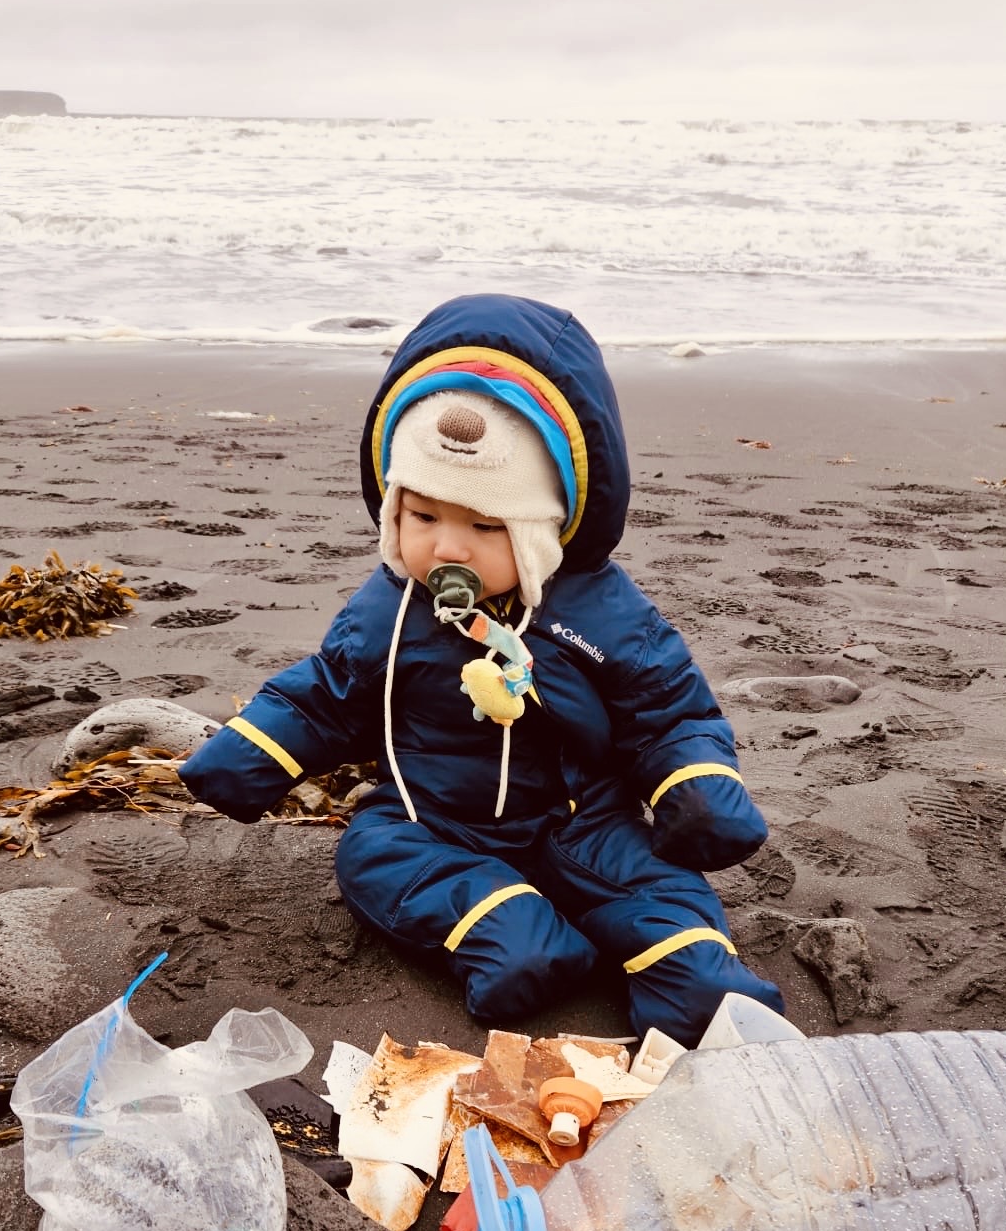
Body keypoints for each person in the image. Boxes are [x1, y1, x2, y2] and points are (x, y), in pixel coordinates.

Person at [179, 293, 785, 1045]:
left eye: (485, 525)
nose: (448, 550)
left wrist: (698, 786)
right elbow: (330, 694)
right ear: (393, 510)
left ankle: (690, 971)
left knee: (657, 885)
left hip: (579, 820)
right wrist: (250, 752)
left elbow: (667, 707)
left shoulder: (600, 611)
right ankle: (515, 930)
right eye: (424, 518)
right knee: (373, 856)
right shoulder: (389, 608)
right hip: (433, 818)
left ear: (541, 530)